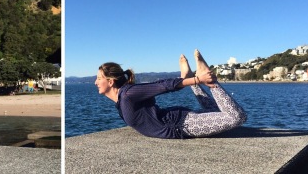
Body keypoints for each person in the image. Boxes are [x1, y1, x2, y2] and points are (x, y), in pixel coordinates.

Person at [96, 50, 247, 139]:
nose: (95, 82)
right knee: (218, 111)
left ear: (110, 81)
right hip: (177, 120)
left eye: (99, 78)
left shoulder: (128, 93)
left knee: (236, 117)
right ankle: (192, 77)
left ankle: (209, 79)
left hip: (181, 125)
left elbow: (162, 86)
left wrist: (197, 79)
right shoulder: (122, 99)